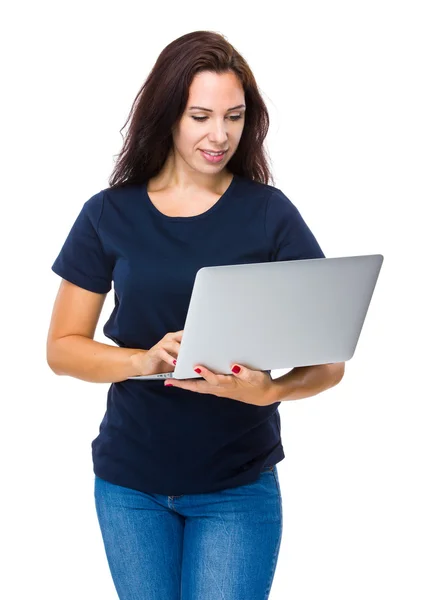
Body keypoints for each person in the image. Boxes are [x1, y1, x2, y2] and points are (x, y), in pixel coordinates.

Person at [47, 30, 344, 600]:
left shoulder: (268, 214)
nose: (220, 134)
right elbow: (62, 347)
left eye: (233, 116)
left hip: (235, 486)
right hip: (129, 485)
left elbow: (330, 362)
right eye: (200, 115)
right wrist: (140, 359)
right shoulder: (108, 213)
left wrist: (267, 391)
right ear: (167, 116)